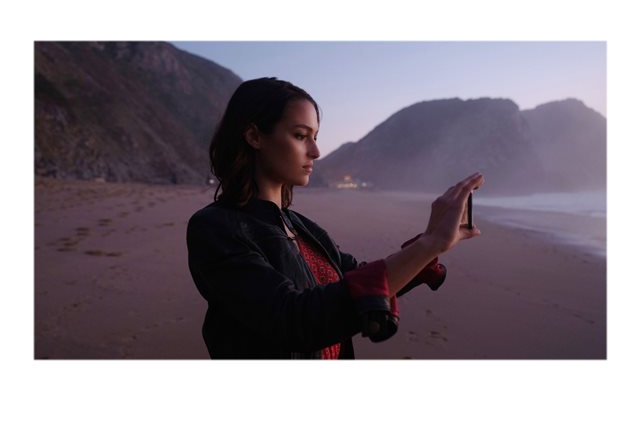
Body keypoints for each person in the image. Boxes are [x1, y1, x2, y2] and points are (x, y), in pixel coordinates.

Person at [186, 77, 484, 359]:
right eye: (300, 136)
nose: (316, 151)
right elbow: (294, 320)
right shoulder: (215, 228)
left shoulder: (301, 227)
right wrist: (429, 244)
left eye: (315, 137)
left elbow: (360, 280)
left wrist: (429, 243)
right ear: (254, 136)